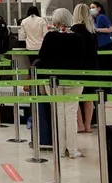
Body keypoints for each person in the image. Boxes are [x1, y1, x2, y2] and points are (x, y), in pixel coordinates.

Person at [36, 8, 97, 159]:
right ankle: (73, 149)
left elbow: (42, 56)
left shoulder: (50, 37)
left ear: (55, 21)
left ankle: (60, 148)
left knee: (58, 113)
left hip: (53, 80)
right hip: (73, 79)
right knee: (70, 114)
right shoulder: (77, 38)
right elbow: (82, 58)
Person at [71, 3, 99, 133]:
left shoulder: (75, 29)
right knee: (89, 96)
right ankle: (88, 125)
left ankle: (80, 124)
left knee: (75, 96)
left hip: (78, 66)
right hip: (92, 66)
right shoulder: (92, 29)